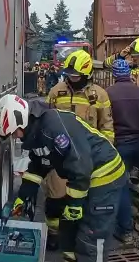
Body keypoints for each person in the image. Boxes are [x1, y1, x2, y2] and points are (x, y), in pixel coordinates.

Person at [0, 94, 127, 262]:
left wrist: (75, 203)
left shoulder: (55, 126)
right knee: (67, 230)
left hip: (103, 178)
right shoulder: (36, 132)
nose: (15, 137)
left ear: (21, 121)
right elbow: (38, 166)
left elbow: (81, 166)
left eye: (14, 132)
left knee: (90, 239)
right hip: (84, 180)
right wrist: (22, 196)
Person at [42, 50, 115, 250]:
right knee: (55, 198)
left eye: (75, 75)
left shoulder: (99, 95)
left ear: (86, 73)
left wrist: (104, 156)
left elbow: (106, 127)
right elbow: (46, 121)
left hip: (87, 157)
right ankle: (54, 234)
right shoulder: (57, 91)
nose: (71, 79)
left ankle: (77, 235)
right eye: (69, 75)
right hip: (60, 156)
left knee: (82, 200)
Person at [106, 58, 139, 243]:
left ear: (113, 75)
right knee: (127, 178)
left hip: (120, 143)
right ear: (129, 74)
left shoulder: (108, 93)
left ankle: (125, 229)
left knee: (120, 184)